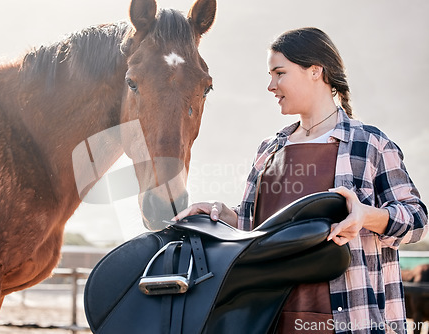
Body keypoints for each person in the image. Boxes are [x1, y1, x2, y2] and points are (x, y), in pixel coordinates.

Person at [174, 27, 428, 334]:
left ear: (315, 71)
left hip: (349, 321)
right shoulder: (269, 149)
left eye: (279, 73)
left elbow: (417, 222)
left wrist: (364, 216)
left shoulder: (370, 144)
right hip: (270, 318)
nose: (271, 85)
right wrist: (219, 215)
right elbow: (253, 229)